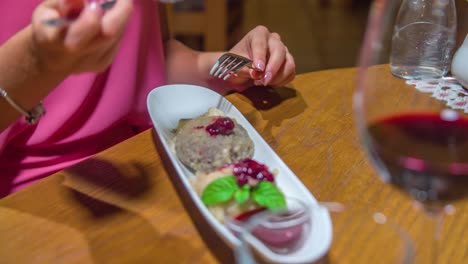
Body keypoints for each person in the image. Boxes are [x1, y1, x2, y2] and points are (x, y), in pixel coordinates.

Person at [0, 0, 296, 197]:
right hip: (40, 198)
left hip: (153, 161)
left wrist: (220, 68)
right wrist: (35, 64)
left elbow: (152, 60)